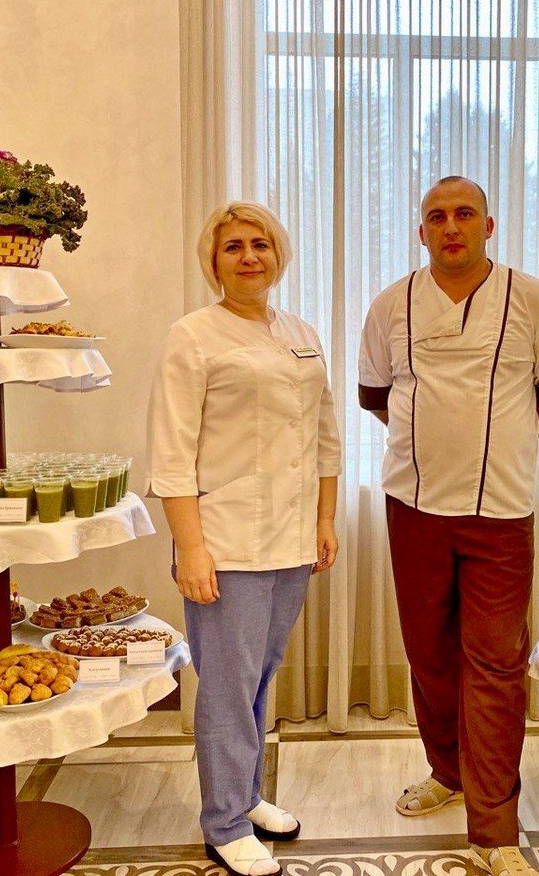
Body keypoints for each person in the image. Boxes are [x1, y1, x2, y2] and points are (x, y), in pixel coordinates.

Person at [357, 177, 539, 876]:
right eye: (437, 216)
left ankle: (494, 830)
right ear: (421, 231)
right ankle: (447, 773)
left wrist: (500, 442)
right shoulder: (391, 304)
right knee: (429, 654)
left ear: (489, 225)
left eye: (464, 214)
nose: (450, 226)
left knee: (495, 665)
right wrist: (436, 445)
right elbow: (377, 398)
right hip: (414, 505)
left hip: (501, 510)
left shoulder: (535, 301)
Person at [148, 201, 342, 876]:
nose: (249, 256)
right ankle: (225, 823)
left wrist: (324, 520)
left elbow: (324, 435)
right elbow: (171, 454)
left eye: (260, 244)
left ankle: (247, 795)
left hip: (291, 537)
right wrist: (191, 549)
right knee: (228, 686)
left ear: (278, 254)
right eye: (233, 246)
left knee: (260, 675)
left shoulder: (300, 332)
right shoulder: (193, 336)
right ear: (214, 261)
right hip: (224, 541)